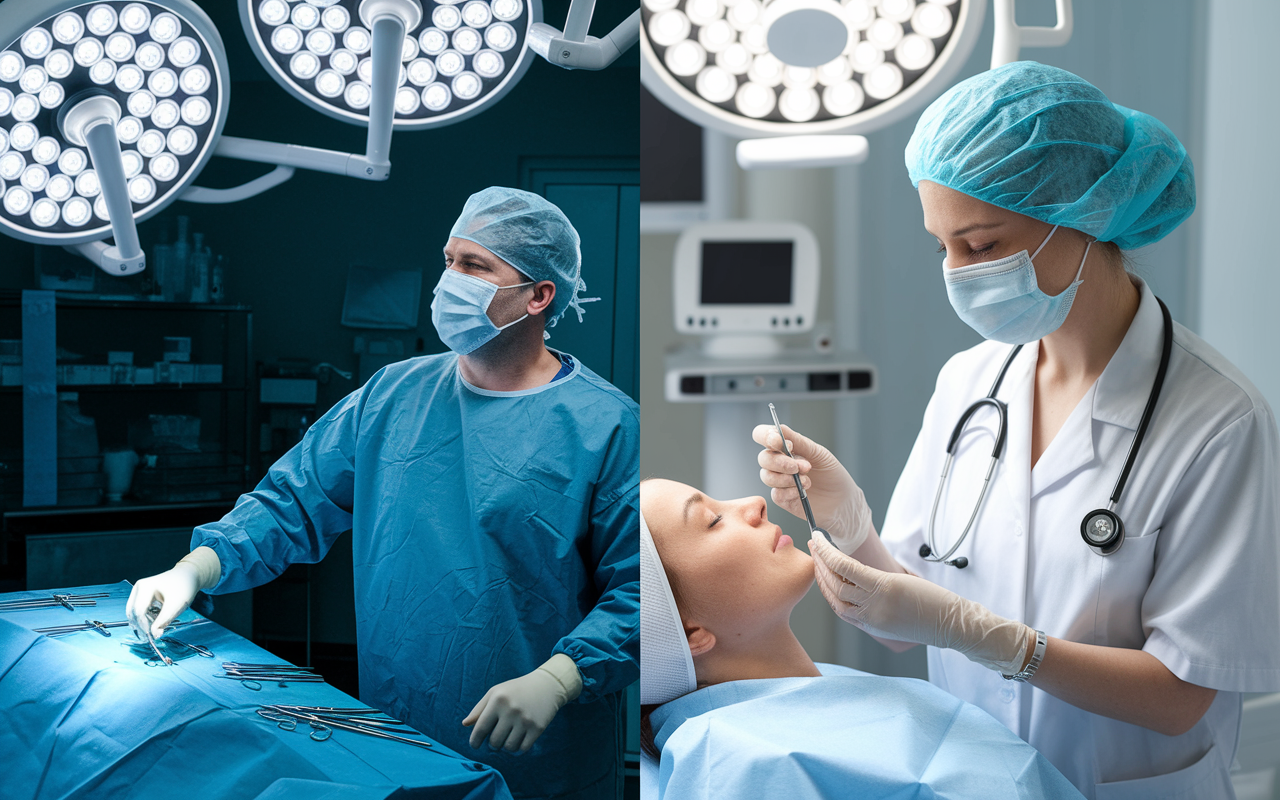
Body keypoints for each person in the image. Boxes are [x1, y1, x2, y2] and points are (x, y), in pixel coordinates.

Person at [755, 62, 1280, 799]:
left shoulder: (1218, 420)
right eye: (943, 246)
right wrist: (851, 523)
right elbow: (912, 617)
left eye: (982, 245)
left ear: (1084, 215)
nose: (956, 273)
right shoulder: (970, 383)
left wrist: (987, 637)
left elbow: (1182, 695)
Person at [127, 187, 640, 800]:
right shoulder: (391, 395)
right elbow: (292, 501)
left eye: (475, 266)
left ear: (538, 295)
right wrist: (196, 569)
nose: (451, 280)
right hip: (398, 725)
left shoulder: (605, 426)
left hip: (540, 755)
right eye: (449, 260)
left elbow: (644, 589)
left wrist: (561, 679)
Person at [638, 477, 1084, 800]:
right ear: (691, 633)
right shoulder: (738, 767)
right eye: (713, 520)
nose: (754, 502)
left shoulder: (817, 692)